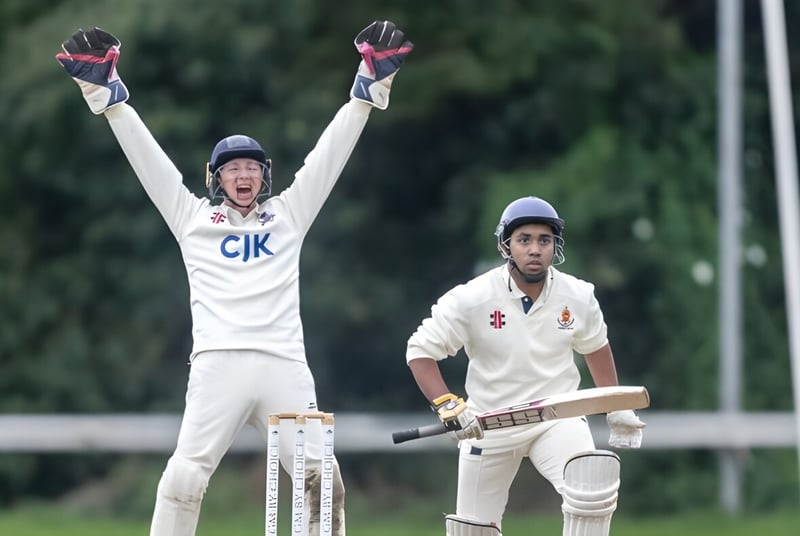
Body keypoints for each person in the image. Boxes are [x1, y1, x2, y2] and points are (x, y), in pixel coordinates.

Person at [56, 21, 412, 536]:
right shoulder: (192, 218)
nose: (243, 177)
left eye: (251, 168)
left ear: (263, 176)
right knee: (183, 478)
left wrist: (367, 88)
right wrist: (106, 95)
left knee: (322, 478)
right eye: (232, 169)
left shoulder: (288, 216)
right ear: (216, 178)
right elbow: (148, 162)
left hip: (284, 365)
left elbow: (328, 157)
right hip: (217, 365)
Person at [404, 196, 645, 536]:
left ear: (555, 246)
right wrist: (446, 404)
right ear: (506, 246)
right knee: (473, 530)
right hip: (490, 424)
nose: (535, 249)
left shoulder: (577, 295)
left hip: (555, 417)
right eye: (524, 240)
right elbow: (419, 350)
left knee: (591, 484)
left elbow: (595, 346)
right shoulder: (472, 298)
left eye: (544, 240)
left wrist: (615, 405)